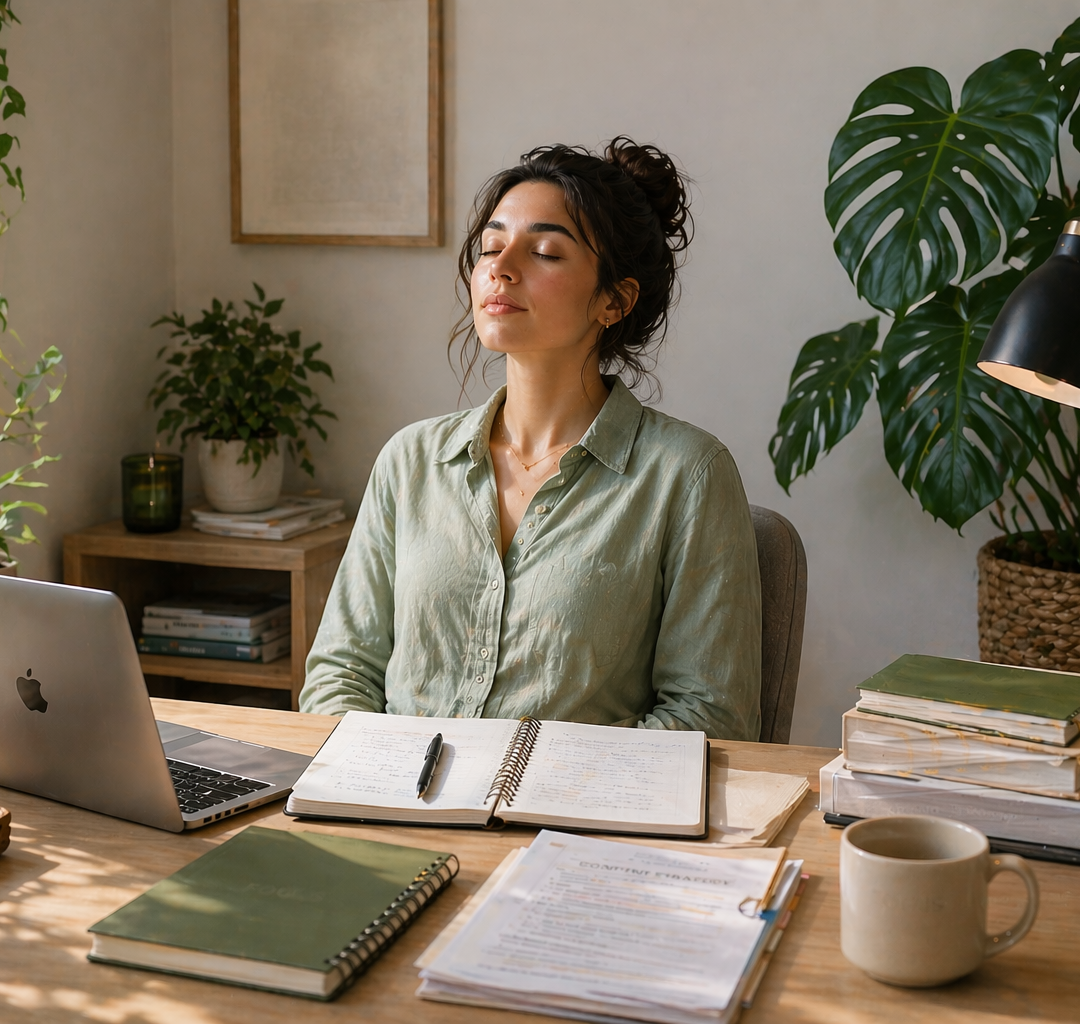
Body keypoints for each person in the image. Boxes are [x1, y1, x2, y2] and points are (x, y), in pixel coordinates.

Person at [299, 138, 762, 740]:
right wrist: (379, 777)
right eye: (491, 247)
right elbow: (339, 674)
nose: (501, 267)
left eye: (544, 252)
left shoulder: (688, 475)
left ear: (615, 300)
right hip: (392, 792)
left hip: (573, 802)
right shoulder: (409, 461)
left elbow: (710, 716)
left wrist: (546, 783)